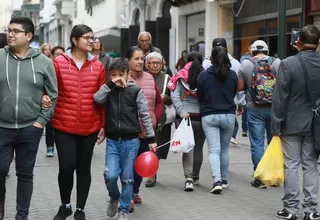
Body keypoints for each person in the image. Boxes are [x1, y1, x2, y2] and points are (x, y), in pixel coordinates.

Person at [0, 16, 58, 220]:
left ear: (29, 36)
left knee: (25, 174)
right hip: (2, 128)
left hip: (30, 128)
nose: (10, 34)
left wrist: (40, 121)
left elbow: (53, 93)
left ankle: (21, 216)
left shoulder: (44, 62)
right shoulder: (0, 57)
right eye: (9, 30)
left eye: (15, 31)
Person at [50, 24, 106, 220]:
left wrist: (102, 125)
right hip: (63, 124)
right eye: (87, 38)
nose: (92, 41)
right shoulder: (58, 62)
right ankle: (65, 205)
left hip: (89, 126)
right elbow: (50, 91)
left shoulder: (98, 66)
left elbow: (102, 98)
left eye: (93, 37)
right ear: (74, 40)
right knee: (66, 166)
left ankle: (80, 209)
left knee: (84, 168)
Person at [93, 58, 157, 220]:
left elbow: (145, 115)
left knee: (128, 178)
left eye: (121, 74)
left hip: (131, 141)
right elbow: (96, 99)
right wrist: (110, 85)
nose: (117, 78)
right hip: (113, 141)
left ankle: (123, 209)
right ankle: (114, 196)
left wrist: (151, 138)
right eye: (113, 75)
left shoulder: (135, 90)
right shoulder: (108, 90)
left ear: (128, 74)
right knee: (110, 175)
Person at [272, 25, 320, 220]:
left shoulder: (287, 64)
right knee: (310, 165)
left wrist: (276, 123)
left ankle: (291, 210)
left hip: (291, 123)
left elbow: (280, 97)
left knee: (291, 165)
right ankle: (311, 210)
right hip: (315, 124)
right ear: (318, 43)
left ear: (297, 42)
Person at [238, 40, 281, 189]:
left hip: (254, 108)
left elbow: (240, 87)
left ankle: (260, 178)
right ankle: (275, 177)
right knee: (273, 142)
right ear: (268, 52)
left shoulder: (245, 64)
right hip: (274, 109)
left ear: (252, 52)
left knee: (257, 144)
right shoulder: (277, 63)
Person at [126, 47, 164, 212]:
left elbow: (159, 101)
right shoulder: (122, 77)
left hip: (146, 131)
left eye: (142, 59)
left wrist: (155, 117)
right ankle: (126, 195)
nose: (140, 62)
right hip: (127, 131)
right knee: (128, 164)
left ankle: (134, 191)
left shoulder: (149, 78)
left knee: (141, 164)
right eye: (137, 58)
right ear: (128, 60)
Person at [197, 46, 238, 194]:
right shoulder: (233, 75)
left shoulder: (203, 76)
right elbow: (234, 92)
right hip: (228, 115)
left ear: (212, 59)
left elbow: (200, 96)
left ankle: (217, 180)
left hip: (209, 115)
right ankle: (225, 179)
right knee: (224, 149)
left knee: (214, 149)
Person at [169, 51, 206, 190]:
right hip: (201, 117)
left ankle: (188, 178)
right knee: (198, 147)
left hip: (184, 117)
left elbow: (174, 95)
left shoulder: (179, 76)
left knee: (187, 148)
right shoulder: (206, 75)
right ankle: (196, 176)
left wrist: (181, 111)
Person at [202, 38, 245, 146]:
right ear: (226, 48)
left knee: (214, 149)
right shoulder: (235, 63)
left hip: (209, 110)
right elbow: (240, 86)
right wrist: (241, 102)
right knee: (224, 149)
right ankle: (233, 137)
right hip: (229, 108)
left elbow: (201, 88)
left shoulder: (206, 63)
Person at [144, 52, 173, 187]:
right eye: (152, 63)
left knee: (158, 148)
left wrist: (164, 97)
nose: (155, 65)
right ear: (147, 64)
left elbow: (174, 96)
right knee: (146, 147)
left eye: (158, 63)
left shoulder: (167, 78)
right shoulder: (142, 77)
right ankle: (150, 173)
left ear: (162, 64)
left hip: (162, 118)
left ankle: (152, 173)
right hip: (144, 117)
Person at [40, 43, 56, 157]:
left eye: (49, 49)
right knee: (49, 123)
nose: (47, 51)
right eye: (45, 49)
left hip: (53, 95)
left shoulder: (53, 62)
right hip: (43, 96)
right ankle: (50, 146)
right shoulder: (39, 62)